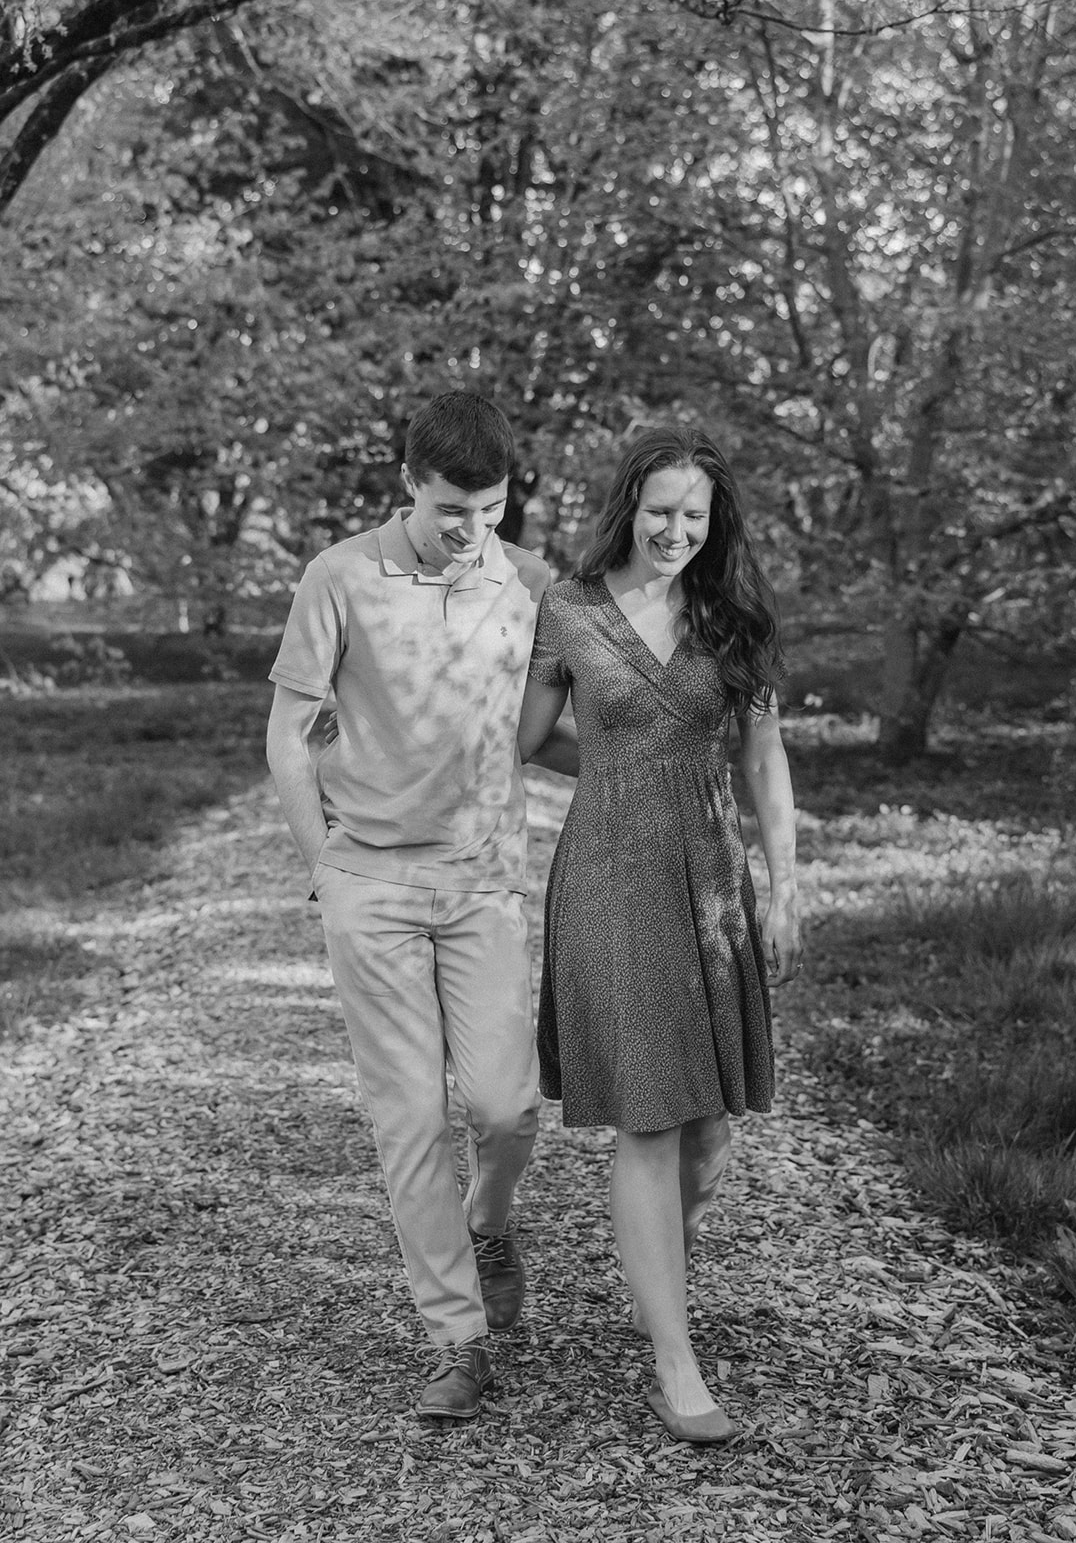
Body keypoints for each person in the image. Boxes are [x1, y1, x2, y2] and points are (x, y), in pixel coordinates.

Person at [266, 391, 553, 1421]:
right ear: (406, 485)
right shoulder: (339, 577)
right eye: (446, 508)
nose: (466, 529)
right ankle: (456, 1337)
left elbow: (565, 711)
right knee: (410, 1118)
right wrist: (325, 867)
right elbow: (287, 735)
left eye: (484, 508)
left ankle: (491, 1216)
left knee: (503, 1105)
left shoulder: (527, 583)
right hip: (372, 887)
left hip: (480, 884)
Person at [517, 426, 802, 1445]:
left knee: (709, 1127)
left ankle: (656, 1266)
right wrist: (609, 767)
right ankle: (673, 1363)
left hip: (711, 879)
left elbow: (764, 756)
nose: (677, 530)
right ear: (625, 506)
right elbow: (526, 735)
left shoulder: (731, 616)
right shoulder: (569, 607)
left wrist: (782, 887)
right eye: (660, 510)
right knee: (649, 1117)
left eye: (695, 514)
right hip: (605, 876)